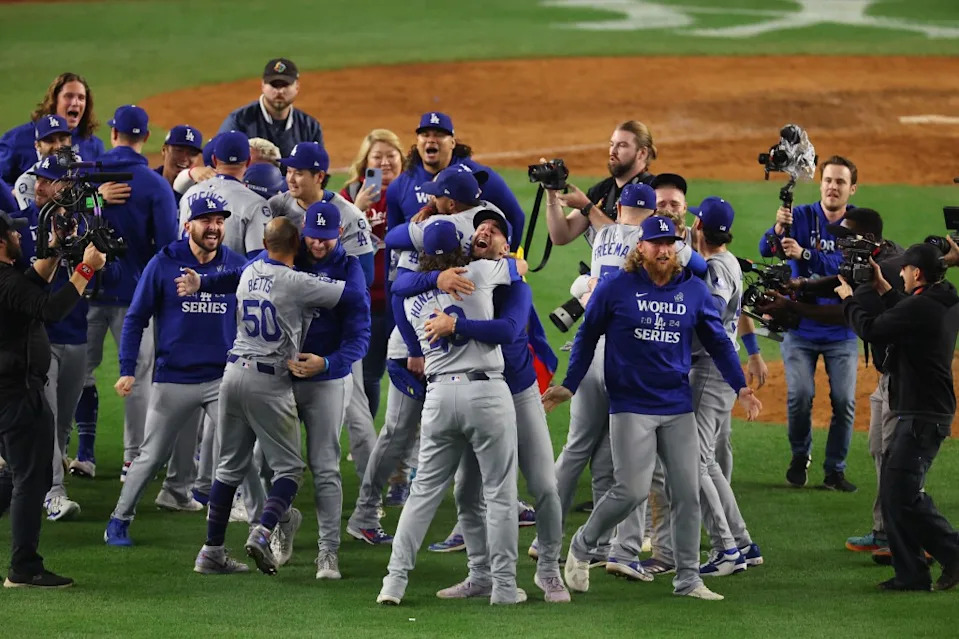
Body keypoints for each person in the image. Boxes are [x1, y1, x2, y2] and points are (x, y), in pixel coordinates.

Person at [543, 216, 762, 602]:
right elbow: (586, 336)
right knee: (630, 490)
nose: (663, 250)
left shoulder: (694, 291)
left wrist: (741, 386)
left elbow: (718, 342)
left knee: (688, 492)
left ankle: (689, 579)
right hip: (630, 405)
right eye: (655, 243)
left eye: (669, 242)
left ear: (678, 246)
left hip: (677, 405)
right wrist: (570, 384)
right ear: (640, 247)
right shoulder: (616, 288)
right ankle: (583, 543)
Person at [391, 210, 570, 602]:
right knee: (466, 493)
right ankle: (481, 575)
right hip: (482, 396)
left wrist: (456, 326)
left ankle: (549, 569)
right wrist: (436, 277)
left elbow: (506, 332)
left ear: (506, 248)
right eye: (481, 227)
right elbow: (403, 283)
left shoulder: (513, 282)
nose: (486, 230)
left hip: (517, 391)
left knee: (543, 486)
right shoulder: (459, 276)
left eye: (497, 230)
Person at [176, 216, 362, 576]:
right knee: (290, 469)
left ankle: (210, 551)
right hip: (269, 381)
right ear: (297, 246)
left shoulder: (250, 270)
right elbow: (353, 296)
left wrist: (204, 283)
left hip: (231, 375)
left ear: (265, 242)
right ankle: (263, 531)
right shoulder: (296, 281)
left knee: (228, 468)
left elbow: (234, 277)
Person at [376, 220, 526, 606]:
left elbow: (399, 286)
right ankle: (505, 588)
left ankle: (392, 584)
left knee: (423, 493)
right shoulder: (478, 271)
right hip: (485, 393)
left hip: (440, 397)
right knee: (499, 494)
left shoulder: (411, 298)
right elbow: (518, 269)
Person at [103, 195, 249, 545]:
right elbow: (136, 318)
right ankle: (118, 520)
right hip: (175, 378)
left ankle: (259, 522)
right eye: (205, 220)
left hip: (221, 378)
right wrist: (127, 369)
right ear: (188, 225)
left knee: (242, 449)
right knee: (151, 456)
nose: (213, 227)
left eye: (218, 220)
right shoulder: (164, 263)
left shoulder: (237, 266)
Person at [838, 243, 959, 592]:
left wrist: (849, 299)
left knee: (903, 492)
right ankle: (911, 572)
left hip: (922, 414)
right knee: (896, 492)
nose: (900, 274)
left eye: (904, 270)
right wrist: (883, 288)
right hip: (923, 410)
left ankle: (951, 553)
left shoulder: (922, 306)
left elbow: (873, 329)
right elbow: (907, 311)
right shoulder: (943, 299)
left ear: (917, 273)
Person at [70, 105, 179, 482]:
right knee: (138, 378)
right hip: (136, 299)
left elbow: (65, 219)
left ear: (112, 134)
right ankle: (133, 461)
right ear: (145, 138)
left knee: (76, 374)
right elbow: (167, 247)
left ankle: (80, 454)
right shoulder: (156, 185)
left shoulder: (87, 175)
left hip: (83, 292)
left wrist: (95, 200)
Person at [0, 210, 107, 588]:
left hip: (10, 390)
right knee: (33, 478)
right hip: (17, 393)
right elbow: (50, 309)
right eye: (12, 235)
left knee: (16, 473)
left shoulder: (8, 281)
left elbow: (29, 287)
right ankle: (24, 568)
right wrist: (87, 269)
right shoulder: (4, 281)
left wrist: (58, 250)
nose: (19, 238)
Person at [270, 141, 378, 480]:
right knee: (270, 410)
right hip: (289, 333)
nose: (291, 178)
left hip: (336, 334)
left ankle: (371, 495)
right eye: (288, 171)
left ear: (319, 176)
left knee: (357, 415)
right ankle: (264, 489)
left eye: (299, 172)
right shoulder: (279, 204)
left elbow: (364, 278)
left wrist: (311, 293)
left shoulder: (350, 216)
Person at [759, 155, 860, 492]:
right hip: (800, 326)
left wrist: (804, 255)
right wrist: (777, 231)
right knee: (800, 395)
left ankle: (835, 470)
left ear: (852, 189)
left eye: (840, 182)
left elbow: (843, 267)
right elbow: (765, 248)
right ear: (820, 184)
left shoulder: (857, 227)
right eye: (828, 180)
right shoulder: (799, 216)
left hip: (841, 330)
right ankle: (800, 455)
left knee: (845, 401)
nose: (833, 186)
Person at [281, 202, 371, 579]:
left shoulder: (350, 271)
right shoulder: (287, 258)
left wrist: (328, 363)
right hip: (281, 379)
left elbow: (360, 337)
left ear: (339, 235)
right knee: (269, 463)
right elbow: (247, 272)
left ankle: (328, 551)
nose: (318, 245)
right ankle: (281, 525)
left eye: (326, 239)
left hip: (328, 381)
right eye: (313, 238)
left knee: (325, 466)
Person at [685, 197, 763, 576]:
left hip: (708, 371)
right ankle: (744, 543)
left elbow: (711, 311)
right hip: (715, 370)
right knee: (707, 462)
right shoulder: (726, 261)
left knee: (694, 462)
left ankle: (725, 550)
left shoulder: (717, 268)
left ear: (699, 226)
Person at [9, 158, 89, 522]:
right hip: (36, 336)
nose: (40, 186)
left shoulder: (88, 221)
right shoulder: (22, 225)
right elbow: (25, 286)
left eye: (50, 181)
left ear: (68, 187)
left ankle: (35, 480)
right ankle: (53, 492)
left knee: (61, 421)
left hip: (75, 334)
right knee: (48, 412)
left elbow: (113, 270)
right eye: (39, 179)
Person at [385, 112, 524, 250]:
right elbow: (390, 244)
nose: (431, 140)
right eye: (425, 135)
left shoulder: (479, 176)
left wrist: (508, 257)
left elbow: (516, 216)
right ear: (417, 141)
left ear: (453, 142)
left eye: (439, 134)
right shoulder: (400, 185)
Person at [341, 129, 403, 420]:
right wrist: (357, 209)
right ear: (365, 161)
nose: (385, 162)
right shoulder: (350, 194)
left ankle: (410, 443)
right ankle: (364, 442)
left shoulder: (415, 192)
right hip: (369, 300)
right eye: (377, 156)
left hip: (407, 298)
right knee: (368, 374)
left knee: (412, 371)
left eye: (392, 155)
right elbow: (328, 240)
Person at [545, 121, 657, 246]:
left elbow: (627, 244)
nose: (613, 151)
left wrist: (588, 208)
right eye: (612, 144)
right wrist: (551, 191)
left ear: (642, 153)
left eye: (622, 145)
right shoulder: (603, 190)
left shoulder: (652, 190)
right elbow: (561, 236)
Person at [178, 131, 272, 258]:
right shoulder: (256, 203)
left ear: (214, 160)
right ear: (248, 161)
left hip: (183, 273)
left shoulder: (189, 193)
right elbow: (258, 262)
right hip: (227, 277)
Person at [0, 72, 105, 185]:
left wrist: (101, 194)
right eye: (69, 96)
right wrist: (16, 194)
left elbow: (97, 186)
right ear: (54, 100)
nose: (75, 103)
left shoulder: (94, 145)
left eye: (81, 98)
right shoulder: (16, 139)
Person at [218, 58, 323, 158]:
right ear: (263, 85)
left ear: (297, 87)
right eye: (274, 85)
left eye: (285, 85)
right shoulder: (239, 120)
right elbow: (219, 158)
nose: (279, 91)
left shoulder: (310, 126)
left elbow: (319, 171)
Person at [154, 125, 203, 194]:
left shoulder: (201, 193)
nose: (184, 158)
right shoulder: (146, 181)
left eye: (192, 153)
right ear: (164, 150)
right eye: (178, 151)